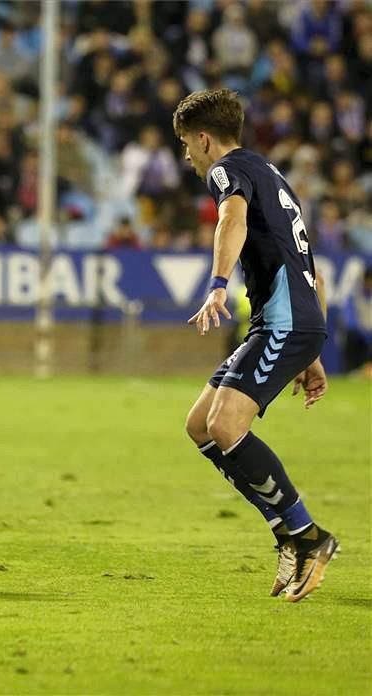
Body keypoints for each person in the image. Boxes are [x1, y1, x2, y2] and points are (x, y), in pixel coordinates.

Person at [175, 89, 337, 603]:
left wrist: (218, 284)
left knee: (225, 425)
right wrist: (312, 349)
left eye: (185, 144)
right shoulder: (269, 172)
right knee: (200, 425)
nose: (186, 156)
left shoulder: (227, 171)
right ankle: (286, 536)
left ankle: (308, 536)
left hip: (284, 321)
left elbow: (231, 221)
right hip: (288, 320)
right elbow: (308, 262)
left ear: (204, 138)